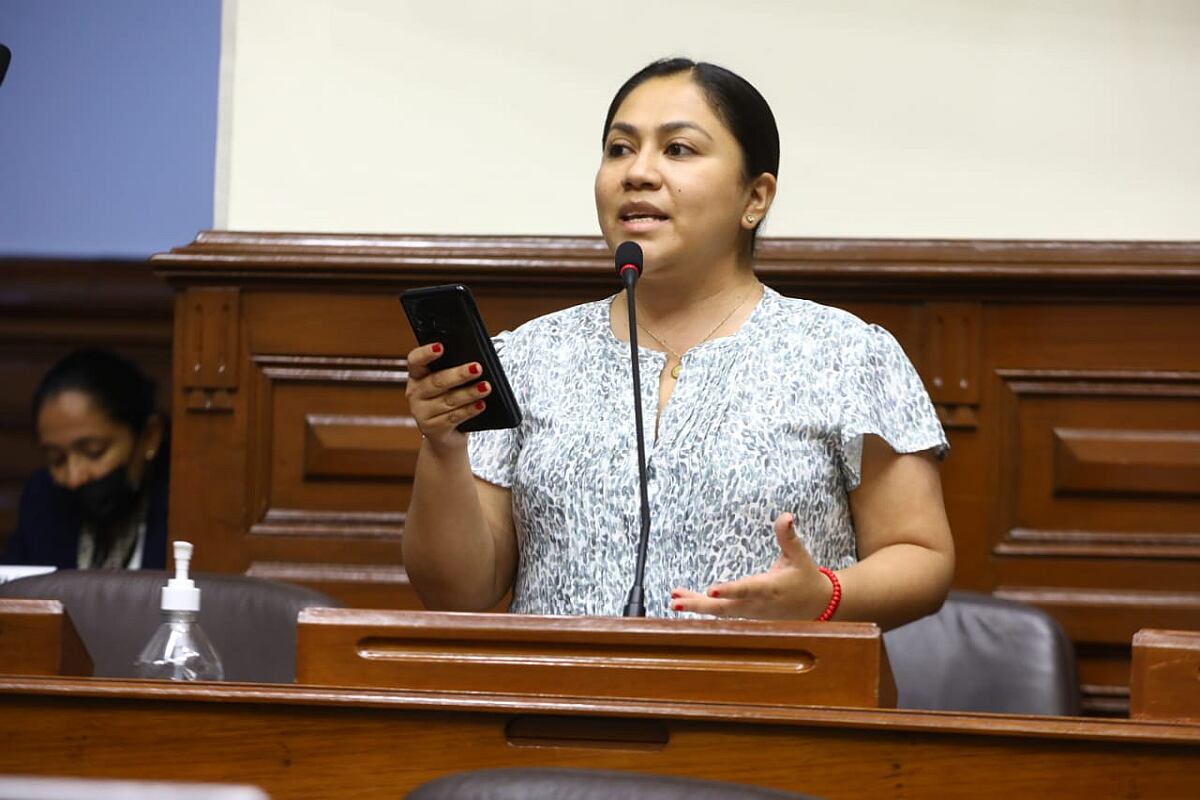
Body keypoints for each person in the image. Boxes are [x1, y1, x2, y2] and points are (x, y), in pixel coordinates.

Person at [402, 58, 954, 629]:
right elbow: (459, 592)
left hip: (771, 703)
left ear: (755, 198)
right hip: (565, 706)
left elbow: (921, 558)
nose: (637, 173)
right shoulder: (527, 357)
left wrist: (827, 595)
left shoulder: (848, 355)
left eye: (679, 150)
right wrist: (442, 446)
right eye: (619, 148)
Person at [1, 348, 169, 569]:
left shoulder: (186, 505)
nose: (74, 477)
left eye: (94, 451)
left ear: (149, 437)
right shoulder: (43, 499)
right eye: (57, 459)